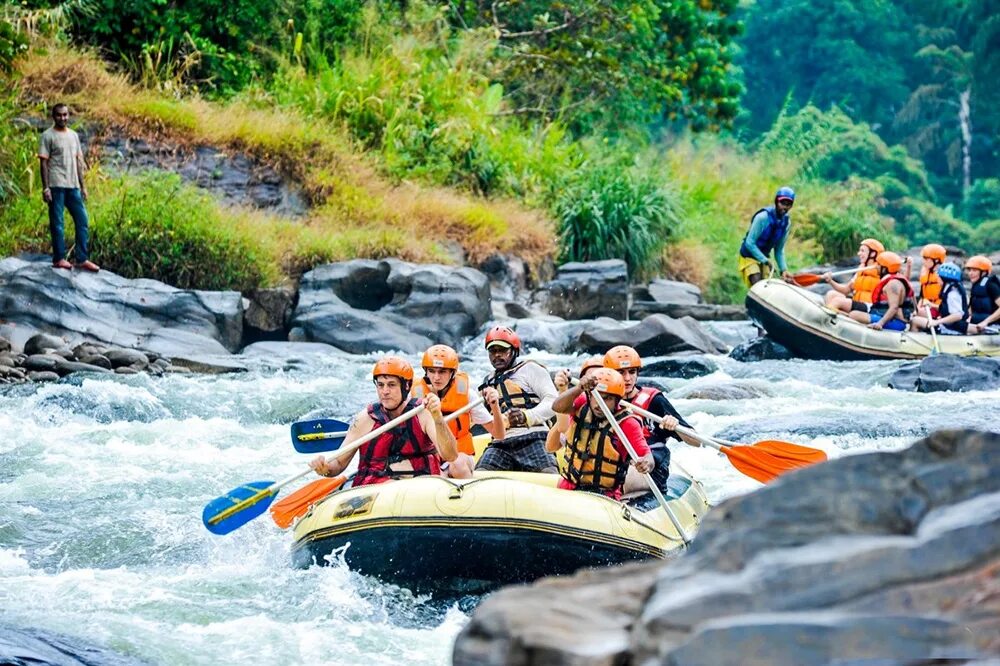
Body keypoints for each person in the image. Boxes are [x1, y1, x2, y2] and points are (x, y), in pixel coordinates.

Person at [309, 356, 457, 486]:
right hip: (377, 491)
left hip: (419, 488)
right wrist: (325, 468)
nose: (384, 391)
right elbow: (339, 464)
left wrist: (438, 419)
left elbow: (450, 455)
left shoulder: (423, 413)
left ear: (406, 386)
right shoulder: (364, 419)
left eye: (391, 385)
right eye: (380, 385)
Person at [601, 345, 702, 494]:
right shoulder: (601, 401)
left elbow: (696, 441)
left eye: (632, 372)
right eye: (621, 373)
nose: (628, 378)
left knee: (611, 480)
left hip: (651, 466)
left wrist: (674, 425)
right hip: (616, 460)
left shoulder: (655, 401)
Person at [550, 367, 654, 499]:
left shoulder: (627, 423)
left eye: (608, 398)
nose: (599, 404)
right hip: (569, 486)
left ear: (617, 400)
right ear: (589, 395)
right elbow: (557, 407)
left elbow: (647, 457)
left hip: (603, 495)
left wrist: (646, 463)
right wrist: (579, 388)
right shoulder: (582, 404)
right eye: (596, 396)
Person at [411, 344, 503, 478]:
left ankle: (469, 494)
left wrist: (495, 406)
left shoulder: (467, 395)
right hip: (431, 457)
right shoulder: (415, 395)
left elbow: (499, 434)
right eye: (432, 371)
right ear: (426, 371)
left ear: (452, 373)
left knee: (457, 463)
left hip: (461, 456)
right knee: (435, 473)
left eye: (442, 372)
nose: (436, 377)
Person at [475, 325, 559, 473]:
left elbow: (553, 401)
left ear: (514, 351)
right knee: (480, 475)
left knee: (549, 473)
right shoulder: (487, 381)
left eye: (502, 350)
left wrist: (526, 416)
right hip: (502, 443)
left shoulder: (531, 369)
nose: (497, 355)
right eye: (493, 351)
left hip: (534, 436)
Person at [38, 103, 99, 272]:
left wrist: (83, 186)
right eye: (59, 115)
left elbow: (78, 162)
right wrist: (46, 188)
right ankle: (59, 258)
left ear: (68, 115)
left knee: (82, 221)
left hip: (73, 186)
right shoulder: (47, 136)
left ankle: (82, 259)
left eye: (65, 115)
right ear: (53, 116)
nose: (63, 118)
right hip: (56, 184)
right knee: (57, 223)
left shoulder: (73, 135)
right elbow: (43, 163)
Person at [739, 186, 796, 287]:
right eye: (782, 203)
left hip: (765, 257)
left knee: (768, 285)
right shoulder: (762, 218)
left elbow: (779, 250)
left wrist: (784, 270)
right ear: (776, 202)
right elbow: (749, 242)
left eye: (789, 204)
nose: (785, 207)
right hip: (748, 256)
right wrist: (765, 260)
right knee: (757, 284)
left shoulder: (786, 223)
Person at [848, 251, 914, 331]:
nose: (877, 267)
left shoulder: (892, 284)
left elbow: (894, 307)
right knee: (851, 313)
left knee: (854, 315)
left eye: (879, 265)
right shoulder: (891, 280)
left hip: (896, 323)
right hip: (882, 314)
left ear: (885, 268)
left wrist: (880, 323)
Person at [823, 238, 884, 314]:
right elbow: (846, 290)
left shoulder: (881, 270)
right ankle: (836, 317)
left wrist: (882, 268)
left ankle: (832, 314)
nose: (859, 253)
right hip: (857, 302)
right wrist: (830, 281)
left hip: (870, 306)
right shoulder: (861, 269)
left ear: (873, 254)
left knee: (838, 302)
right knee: (831, 294)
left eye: (862, 251)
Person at [910, 262, 968, 334]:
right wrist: (930, 304)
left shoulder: (952, 294)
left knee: (915, 321)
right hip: (947, 325)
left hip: (950, 328)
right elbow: (946, 310)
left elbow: (958, 315)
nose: (937, 279)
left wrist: (937, 322)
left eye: (939, 276)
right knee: (917, 315)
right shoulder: (948, 289)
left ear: (944, 278)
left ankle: (914, 341)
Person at [964, 256, 1000, 335]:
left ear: (984, 272)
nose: (970, 273)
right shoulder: (975, 286)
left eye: (974, 270)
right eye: (969, 270)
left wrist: (985, 322)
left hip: (993, 326)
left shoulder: (991, 285)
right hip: (977, 324)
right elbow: (970, 309)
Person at [914, 243, 947, 320]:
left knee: (916, 315)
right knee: (914, 313)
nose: (923, 261)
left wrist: (931, 305)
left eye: (926, 259)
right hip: (927, 307)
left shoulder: (943, 276)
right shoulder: (925, 272)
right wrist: (918, 308)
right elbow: (923, 296)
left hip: (939, 310)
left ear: (936, 260)